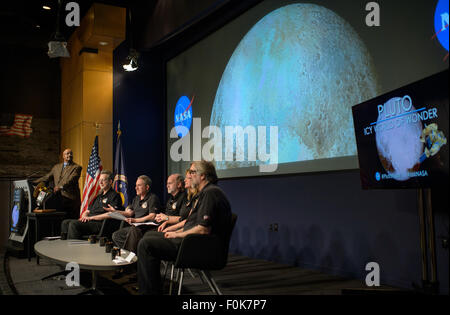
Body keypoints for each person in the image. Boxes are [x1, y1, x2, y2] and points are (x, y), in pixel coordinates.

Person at [136, 161, 232, 295]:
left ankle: (148, 291)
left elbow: (203, 229)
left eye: (192, 172)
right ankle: (152, 287)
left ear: (203, 175)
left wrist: (177, 234)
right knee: (149, 236)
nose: (189, 175)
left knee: (146, 244)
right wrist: (176, 231)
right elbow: (190, 224)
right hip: (191, 242)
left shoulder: (211, 193)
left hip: (199, 248)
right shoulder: (203, 193)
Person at [60, 170, 122, 239]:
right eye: (99, 180)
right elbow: (87, 211)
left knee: (74, 224)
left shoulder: (114, 196)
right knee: (65, 223)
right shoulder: (99, 196)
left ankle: (73, 248)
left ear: (110, 182)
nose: (100, 182)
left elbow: (112, 214)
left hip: (101, 224)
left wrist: (90, 218)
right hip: (90, 221)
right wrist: (84, 216)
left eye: (103, 180)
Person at [110, 175, 161, 252]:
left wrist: (136, 220)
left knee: (133, 230)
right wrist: (115, 211)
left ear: (147, 187)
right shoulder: (136, 198)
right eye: (136, 185)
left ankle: (130, 257)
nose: (136, 188)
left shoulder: (152, 198)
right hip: (135, 227)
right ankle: (132, 254)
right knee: (116, 235)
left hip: (147, 227)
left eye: (139, 185)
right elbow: (129, 213)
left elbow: (152, 216)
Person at [34, 148, 82, 219]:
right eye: (67, 153)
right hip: (58, 199)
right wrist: (34, 182)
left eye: (71, 153)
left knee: (70, 220)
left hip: (71, 200)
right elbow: (47, 177)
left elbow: (71, 180)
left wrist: (60, 186)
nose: (70, 155)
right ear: (63, 156)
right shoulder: (56, 167)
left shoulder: (77, 167)